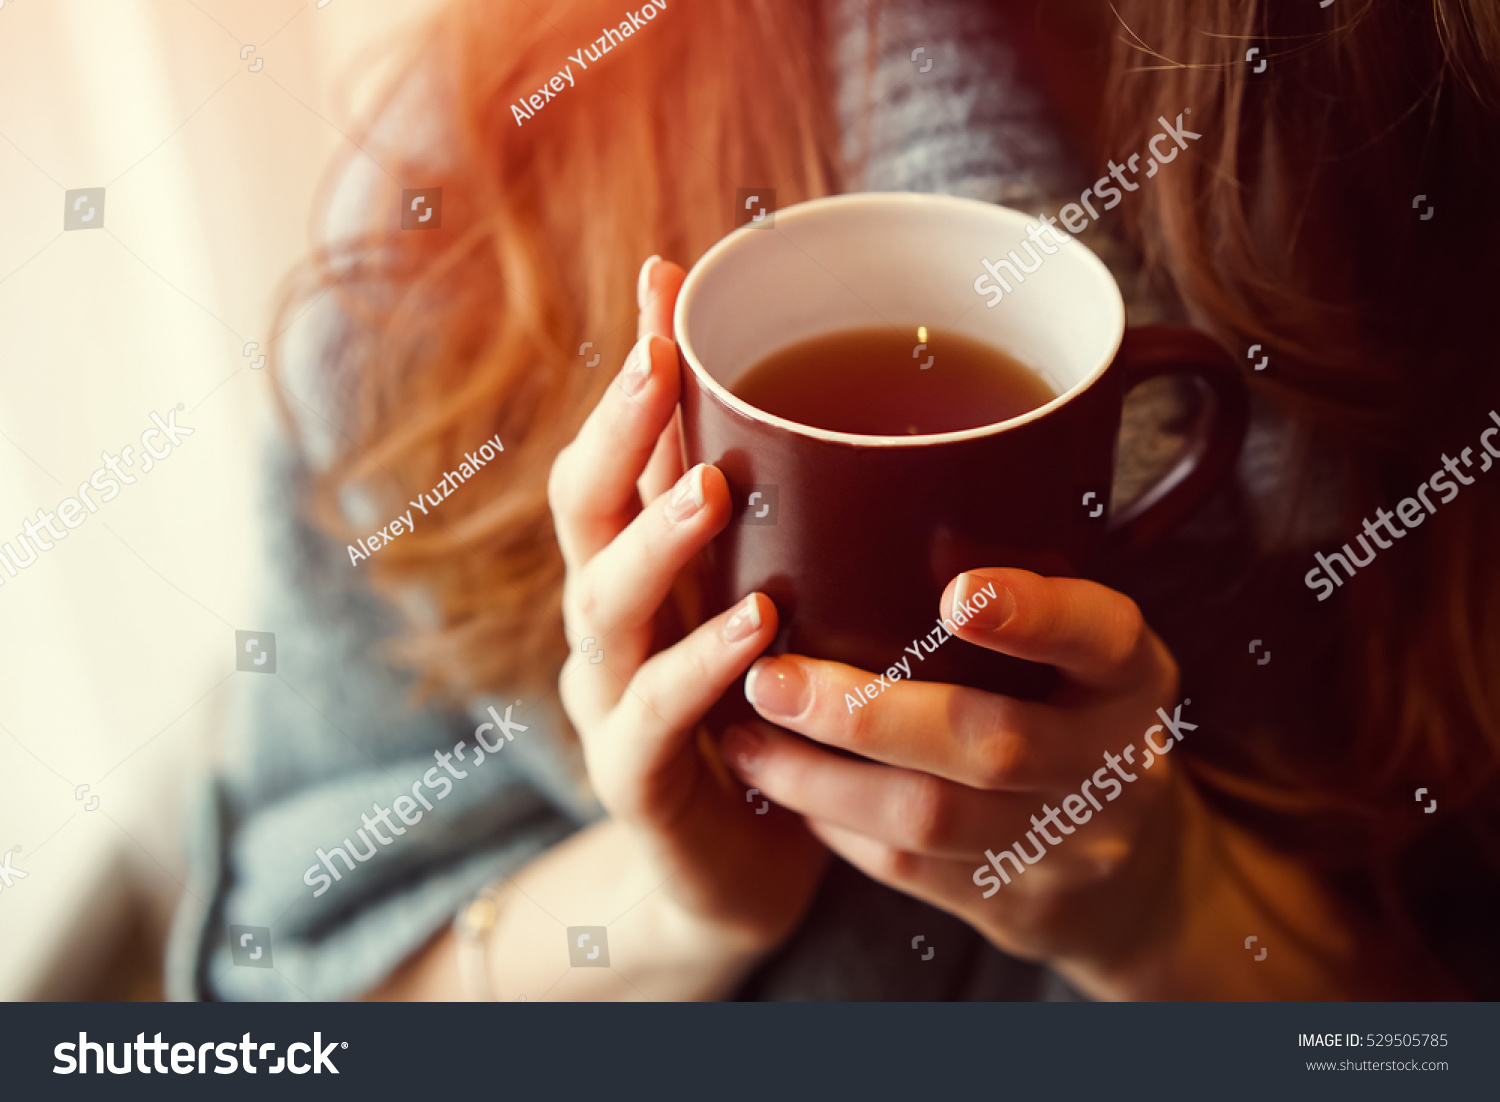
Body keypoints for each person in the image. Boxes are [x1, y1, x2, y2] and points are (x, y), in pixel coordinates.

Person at [169, 0, 1500, 1001]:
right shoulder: (477, 180)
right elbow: (274, 989)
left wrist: (1177, 914)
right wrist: (674, 902)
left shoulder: (1443, 143)